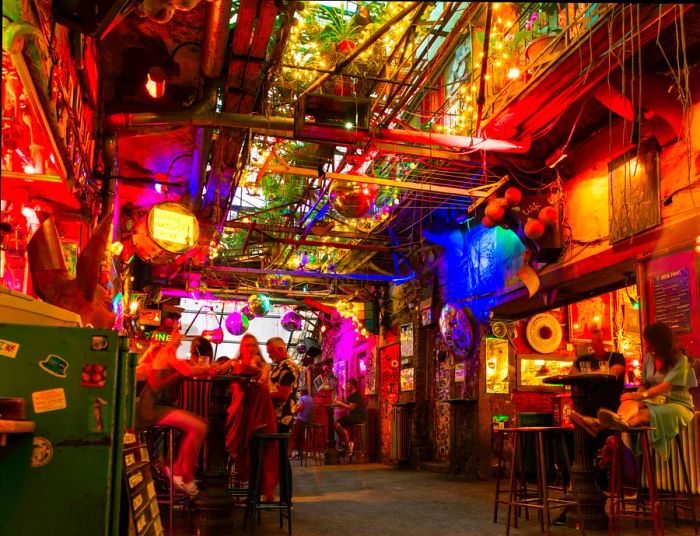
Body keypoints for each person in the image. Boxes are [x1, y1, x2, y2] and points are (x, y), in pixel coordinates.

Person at [570, 322, 697, 459]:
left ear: (660, 342)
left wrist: (640, 395)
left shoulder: (681, 360)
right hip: (654, 401)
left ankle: (603, 429)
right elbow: (643, 384)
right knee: (628, 400)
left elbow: (665, 386)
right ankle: (614, 425)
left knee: (640, 416)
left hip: (677, 405)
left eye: (649, 342)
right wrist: (635, 395)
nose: (647, 345)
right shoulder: (649, 358)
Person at [135, 325, 210, 496]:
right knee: (199, 427)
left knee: (202, 425)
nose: (180, 336)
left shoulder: (169, 354)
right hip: (150, 409)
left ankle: (178, 469)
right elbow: (181, 373)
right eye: (177, 333)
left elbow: (187, 369)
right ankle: (184, 474)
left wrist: (201, 369)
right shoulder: (165, 353)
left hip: (159, 406)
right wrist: (197, 369)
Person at [570, 328, 627, 411]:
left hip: (611, 403)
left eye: (600, 340)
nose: (599, 344)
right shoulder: (583, 359)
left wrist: (587, 373)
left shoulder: (616, 357)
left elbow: (615, 372)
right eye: (595, 341)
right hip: (586, 403)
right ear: (591, 343)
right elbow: (572, 373)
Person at [267, 337, 301, 433]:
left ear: (281, 349)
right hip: (276, 416)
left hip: (282, 417)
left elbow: (283, 395)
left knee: (280, 447)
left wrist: (263, 394)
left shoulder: (288, 366)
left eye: (271, 352)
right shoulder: (281, 365)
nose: (269, 356)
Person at [333, 378, 367, 456]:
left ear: (353, 385)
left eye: (348, 384)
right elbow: (346, 402)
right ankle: (346, 443)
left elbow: (351, 407)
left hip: (358, 417)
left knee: (337, 424)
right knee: (335, 424)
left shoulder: (356, 394)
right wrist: (342, 393)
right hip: (353, 416)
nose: (346, 386)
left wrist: (341, 404)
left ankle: (346, 443)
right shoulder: (351, 394)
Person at [288, 388, 314, 458]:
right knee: (301, 435)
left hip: (301, 419)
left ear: (302, 392)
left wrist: (294, 411)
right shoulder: (311, 398)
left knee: (293, 435)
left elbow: (300, 407)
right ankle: (301, 452)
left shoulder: (302, 398)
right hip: (308, 420)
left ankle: (289, 453)